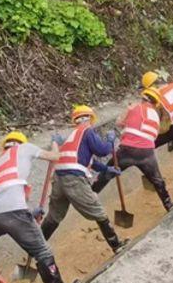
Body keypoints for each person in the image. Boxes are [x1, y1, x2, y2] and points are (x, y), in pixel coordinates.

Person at [0, 131, 67, 283]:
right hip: (14, 212)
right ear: (20, 142)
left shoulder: (0, 161)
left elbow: (8, 193)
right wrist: (55, 142)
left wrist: (29, 212)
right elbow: (55, 157)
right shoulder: (26, 148)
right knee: (43, 252)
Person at [41, 106, 126, 250]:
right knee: (98, 211)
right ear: (90, 119)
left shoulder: (72, 138)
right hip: (73, 179)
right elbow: (102, 150)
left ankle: (36, 249)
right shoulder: (87, 131)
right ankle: (116, 245)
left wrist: (106, 169)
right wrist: (111, 141)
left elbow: (88, 161)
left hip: (58, 178)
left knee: (54, 216)